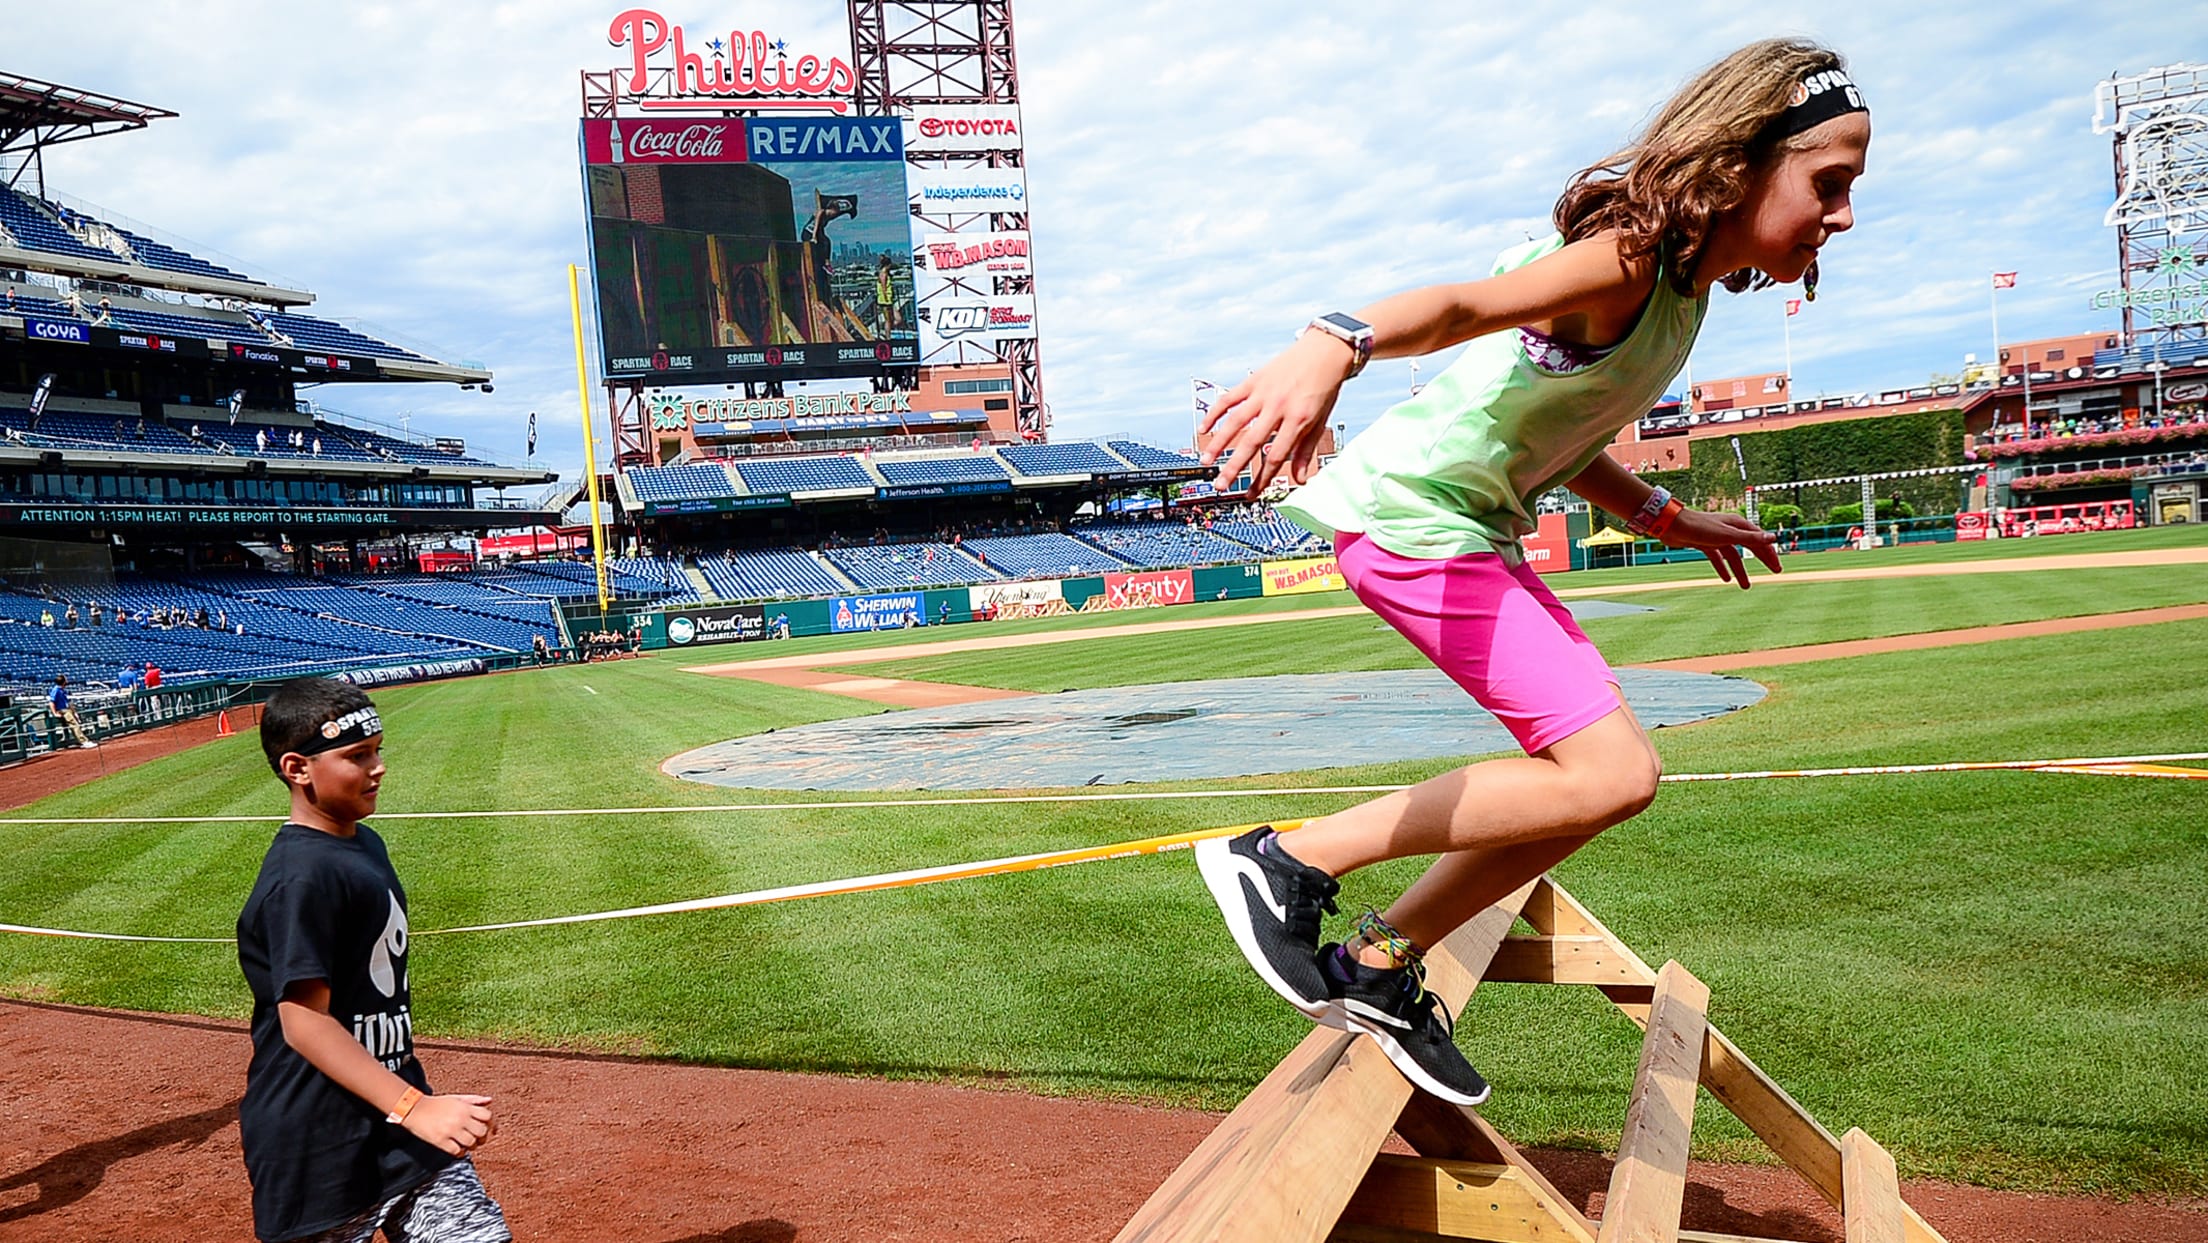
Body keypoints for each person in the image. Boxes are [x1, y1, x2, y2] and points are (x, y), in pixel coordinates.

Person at [1191, 40, 1862, 1107]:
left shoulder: (1678, 292)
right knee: (1614, 772)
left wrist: (1664, 513)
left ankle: (1375, 963)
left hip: (1468, 533)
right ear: (1740, 163)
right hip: (1415, 526)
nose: (1842, 215)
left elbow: (1567, 426)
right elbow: (1463, 308)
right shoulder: (1622, 263)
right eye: (1829, 184)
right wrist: (1334, 341)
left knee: (1584, 794)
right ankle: (1282, 860)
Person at [235, 678, 509, 1243]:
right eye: (357, 756)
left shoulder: (364, 844)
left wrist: (409, 1105)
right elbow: (303, 1021)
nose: (377, 767)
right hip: (317, 1142)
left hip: (396, 1119)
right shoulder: (301, 877)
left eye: (378, 750)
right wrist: (417, 1108)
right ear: (297, 768)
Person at [48, 675, 96, 749]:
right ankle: (84, 742)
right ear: (63, 681)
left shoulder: (62, 690)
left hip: (67, 709)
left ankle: (83, 740)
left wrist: (74, 712)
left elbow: (68, 702)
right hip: (63, 710)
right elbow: (51, 702)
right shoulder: (56, 690)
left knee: (76, 724)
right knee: (74, 725)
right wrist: (55, 713)